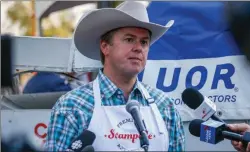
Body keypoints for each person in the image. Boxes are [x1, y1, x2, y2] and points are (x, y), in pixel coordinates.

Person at [44, 1, 185, 151]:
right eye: (129, 39)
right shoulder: (72, 106)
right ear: (105, 47)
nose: (138, 48)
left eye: (144, 42)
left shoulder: (165, 106)